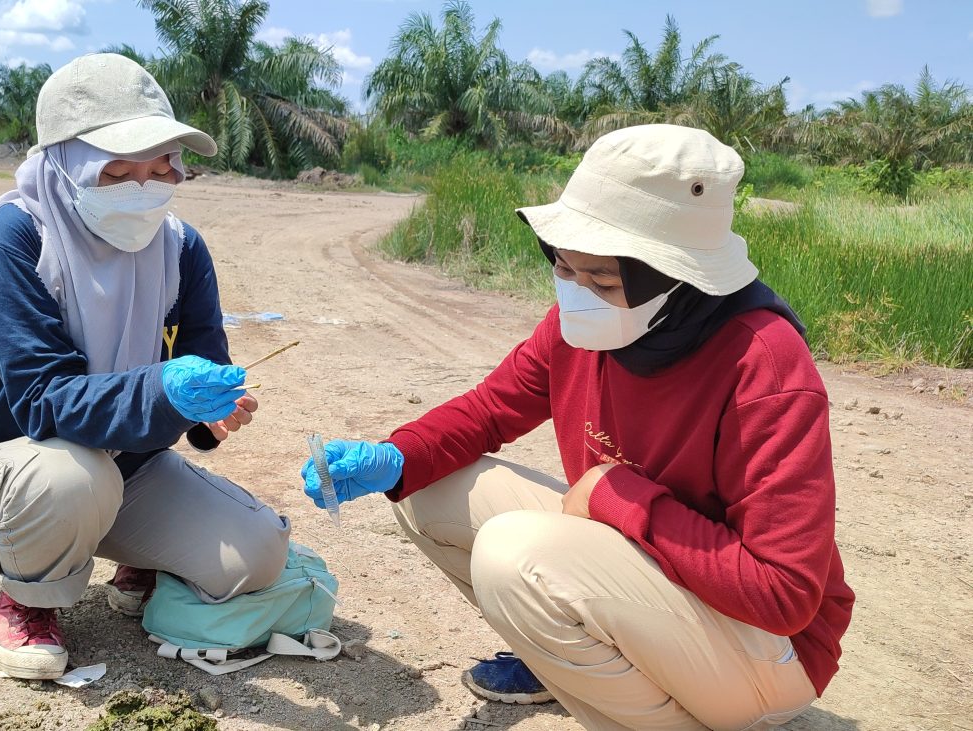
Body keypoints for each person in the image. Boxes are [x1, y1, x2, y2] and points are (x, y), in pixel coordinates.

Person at [301, 125, 854, 730]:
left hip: (764, 650)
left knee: (516, 557)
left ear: (676, 274)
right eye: (564, 268)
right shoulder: (583, 326)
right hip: (650, 574)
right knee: (426, 487)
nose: (577, 293)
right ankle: (565, 659)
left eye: (604, 280)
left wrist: (621, 496)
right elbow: (490, 409)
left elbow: (784, 593)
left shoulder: (764, 365)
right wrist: (395, 456)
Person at [0, 53, 290, 681]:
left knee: (258, 553)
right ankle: (27, 593)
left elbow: (202, 359)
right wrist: (162, 388)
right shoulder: (15, 237)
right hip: (21, 464)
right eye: (118, 170)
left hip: (128, 470)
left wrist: (211, 413)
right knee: (72, 480)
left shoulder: (182, 246)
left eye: (160, 167)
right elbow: (41, 400)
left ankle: (135, 552)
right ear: (63, 162)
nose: (143, 185)